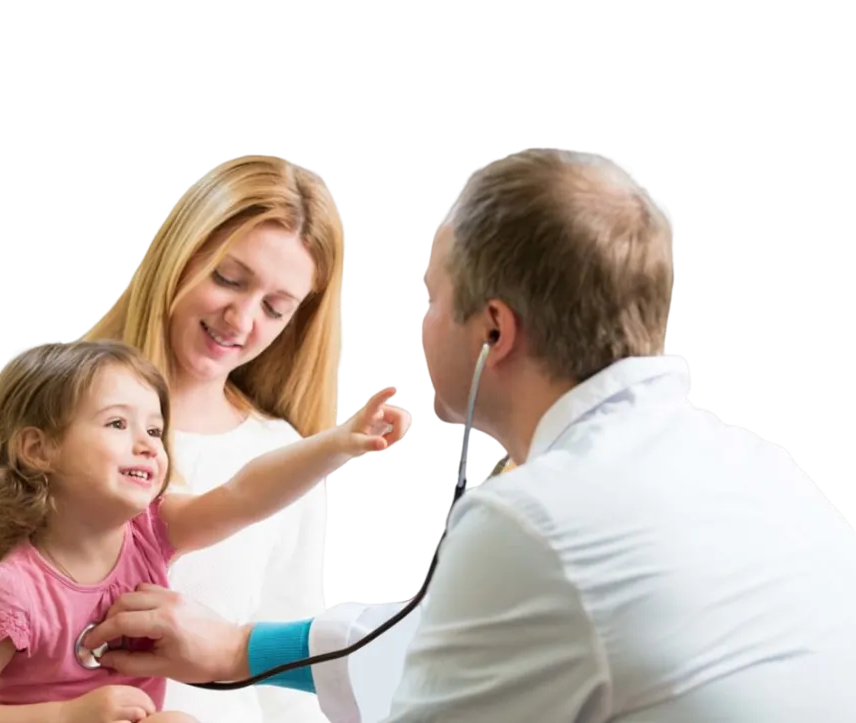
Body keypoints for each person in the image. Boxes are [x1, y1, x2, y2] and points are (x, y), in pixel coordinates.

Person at [78, 148, 856, 722]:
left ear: (492, 329)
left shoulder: (534, 519)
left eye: (429, 295)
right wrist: (241, 646)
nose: (419, 323)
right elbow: (478, 639)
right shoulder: (779, 472)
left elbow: (445, 676)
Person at [0, 154, 353, 723]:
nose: (242, 320)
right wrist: (56, 717)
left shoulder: (282, 455)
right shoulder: (38, 408)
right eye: (228, 278)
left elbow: (290, 687)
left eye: (276, 309)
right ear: (179, 257)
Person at [0, 339, 409, 723]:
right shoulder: (11, 591)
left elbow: (244, 495)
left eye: (154, 430)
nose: (148, 445)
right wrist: (65, 716)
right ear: (38, 450)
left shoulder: (149, 534)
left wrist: (337, 445)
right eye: (116, 424)